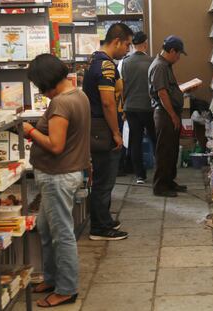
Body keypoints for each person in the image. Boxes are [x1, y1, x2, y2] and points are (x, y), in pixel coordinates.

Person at [23, 54, 91, 307]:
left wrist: (30, 131)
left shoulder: (61, 104)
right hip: (63, 175)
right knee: (47, 228)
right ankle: (52, 278)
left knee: (61, 234)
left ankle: (66, 288)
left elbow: (55, 145)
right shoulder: (79, 95)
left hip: (57, 176)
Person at [83, 23, 133, 240]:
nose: (128, 50)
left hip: (97, 126)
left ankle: (103, 219)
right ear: (117, 42)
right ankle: (100, 228)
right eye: (127, 45)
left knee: (104, 178)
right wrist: (115, 132)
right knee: (105, 179)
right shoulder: (106, 66)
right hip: (103, 128)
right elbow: (107, 103)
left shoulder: (95, 60)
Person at [148, 35, 188, 197]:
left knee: (171, 150)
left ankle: (169, 181)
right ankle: (160, 186)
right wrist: (173, 115)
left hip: (168, 113)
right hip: (164, 114)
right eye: (178, 54)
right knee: (164, 151)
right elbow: (162, 93)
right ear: (171, 51)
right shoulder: (160, 66)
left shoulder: (166, 65)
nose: (178, 58)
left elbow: (169, 90)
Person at [121, 31, 156, 184]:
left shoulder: (125, 62)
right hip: (148, 107)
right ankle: (159, 172)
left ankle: (139, 175)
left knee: (135, 141)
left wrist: (123, 107)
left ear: (133, 45)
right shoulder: (152, 62)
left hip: (130, 107)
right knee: (155, 139)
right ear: (145, 44)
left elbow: (122, 87)